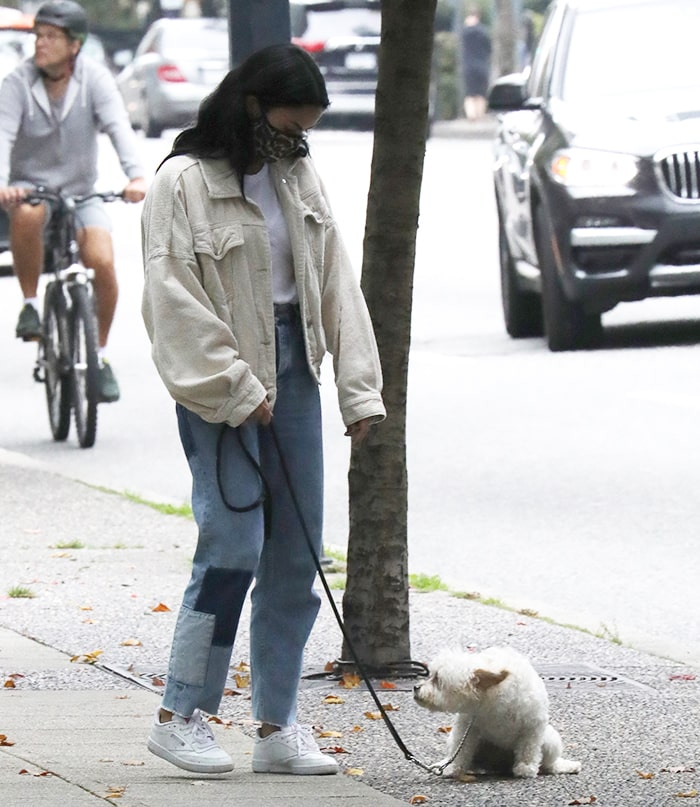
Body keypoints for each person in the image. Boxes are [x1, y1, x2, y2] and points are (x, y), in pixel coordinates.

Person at [141, 43, 386, 776]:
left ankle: (277, 724)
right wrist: (239, 389)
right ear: (251, 105)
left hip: (297, 376)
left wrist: (358, 387)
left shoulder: (296, 175)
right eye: (289, 122)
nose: (297, 138)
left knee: (295, 554)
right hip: (220, 386)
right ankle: (179, 712)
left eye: (306, 127)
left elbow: (334, 277)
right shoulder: (181, 183)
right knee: (231, 546)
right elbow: (171, 301)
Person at [0, 0, 147, 403]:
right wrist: (3, 184)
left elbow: (119, 127)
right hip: (32, 189)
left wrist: (136, 176)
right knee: (27, 214)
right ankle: (30, 305)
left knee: (101, 260)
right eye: (38, 36)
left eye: (51, 37)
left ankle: (98, 355)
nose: (40, 44)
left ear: (75, 45)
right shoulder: (16, 83)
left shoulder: (95, 80)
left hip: (82, 192)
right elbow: (2, 136)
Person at [461, 7, 492, 121]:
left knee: (470, 92)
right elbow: (489, 49)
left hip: (468, 65)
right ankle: (479, 115)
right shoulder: (483, 31)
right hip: (482, 65)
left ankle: (471, 115)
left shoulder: (464, 31)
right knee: (481, 93)